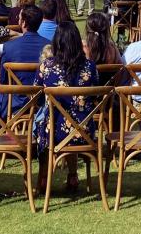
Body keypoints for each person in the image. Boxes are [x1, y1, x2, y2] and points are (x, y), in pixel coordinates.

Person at [34, 21, 99, 192]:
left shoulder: (46, 67)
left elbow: (37, 97)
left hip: (53, 131)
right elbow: (96, 96)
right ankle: (72, 175)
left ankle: (44, 177)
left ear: (56, 42)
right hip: (84, 131)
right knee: (72, 121)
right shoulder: (90, 67)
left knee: (45, 123)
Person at [0, 5, 49, 116]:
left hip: (16, 104)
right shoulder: (50, 46)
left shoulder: (9, 47)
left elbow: (3, 81)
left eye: (19, 18)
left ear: (23, 23)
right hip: (43, 101)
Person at [83, 12, 122, 86]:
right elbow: (120, 70)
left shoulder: (82, 47)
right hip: (108, 93)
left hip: (86, 93)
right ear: (107, 29)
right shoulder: (112, 49)